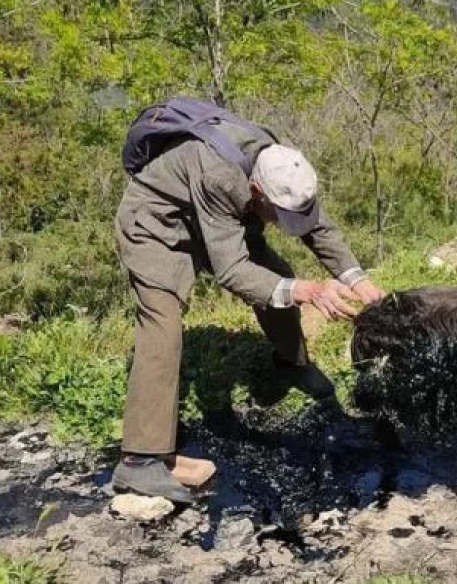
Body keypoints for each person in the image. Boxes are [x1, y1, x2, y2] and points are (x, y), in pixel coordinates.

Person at [112, 99, 385, 503]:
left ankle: (291, 363)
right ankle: (141, 461)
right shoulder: (221, 176)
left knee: (279, 277)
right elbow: (232, 270)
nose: (282, 224)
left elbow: (317, 225)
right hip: (158, 225)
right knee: (163, 324)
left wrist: (359, 282)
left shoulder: (281, 164)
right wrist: (309, 292)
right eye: (277, 215)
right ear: (258, 193)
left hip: (218, 217)